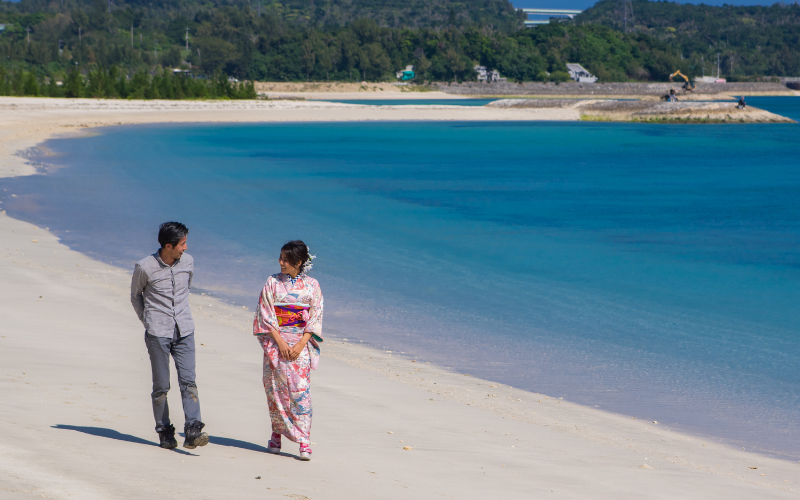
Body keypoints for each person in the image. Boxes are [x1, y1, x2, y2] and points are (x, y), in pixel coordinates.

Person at [131, 222, 209, 450]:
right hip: (158, 334)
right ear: (168, 246)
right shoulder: (145, 267)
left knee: (189, 381)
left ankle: (193, 429)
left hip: (185, 330)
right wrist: (148, 321)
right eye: (182, 244)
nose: (186, 248)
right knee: (161, 387)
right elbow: (136, 297)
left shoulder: (189, 262)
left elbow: (187, 288)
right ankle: (164, 430)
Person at [253, 240, 323, 461]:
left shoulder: (312, 285)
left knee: (301, 393)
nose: (281, 262)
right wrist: (281, 343)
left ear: (299, 262)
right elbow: (265, 313)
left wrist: (301, 344)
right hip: (276, 343)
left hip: (300, 344)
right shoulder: (272, 282)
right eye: (281, 258)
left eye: (286, 259)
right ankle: (276, 434)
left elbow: (315, 316)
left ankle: (304, 440)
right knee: (276, 391)